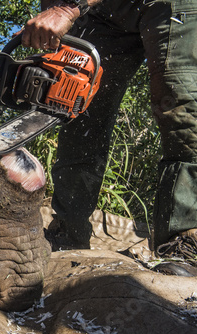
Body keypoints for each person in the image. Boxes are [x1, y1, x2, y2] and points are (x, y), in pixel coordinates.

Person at [21, 0, 197, 268]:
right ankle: (68, 231)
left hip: (168, 5)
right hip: (104, 12)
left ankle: (183, 239)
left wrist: (67, 9)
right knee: (79, 107)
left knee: (180, 107)